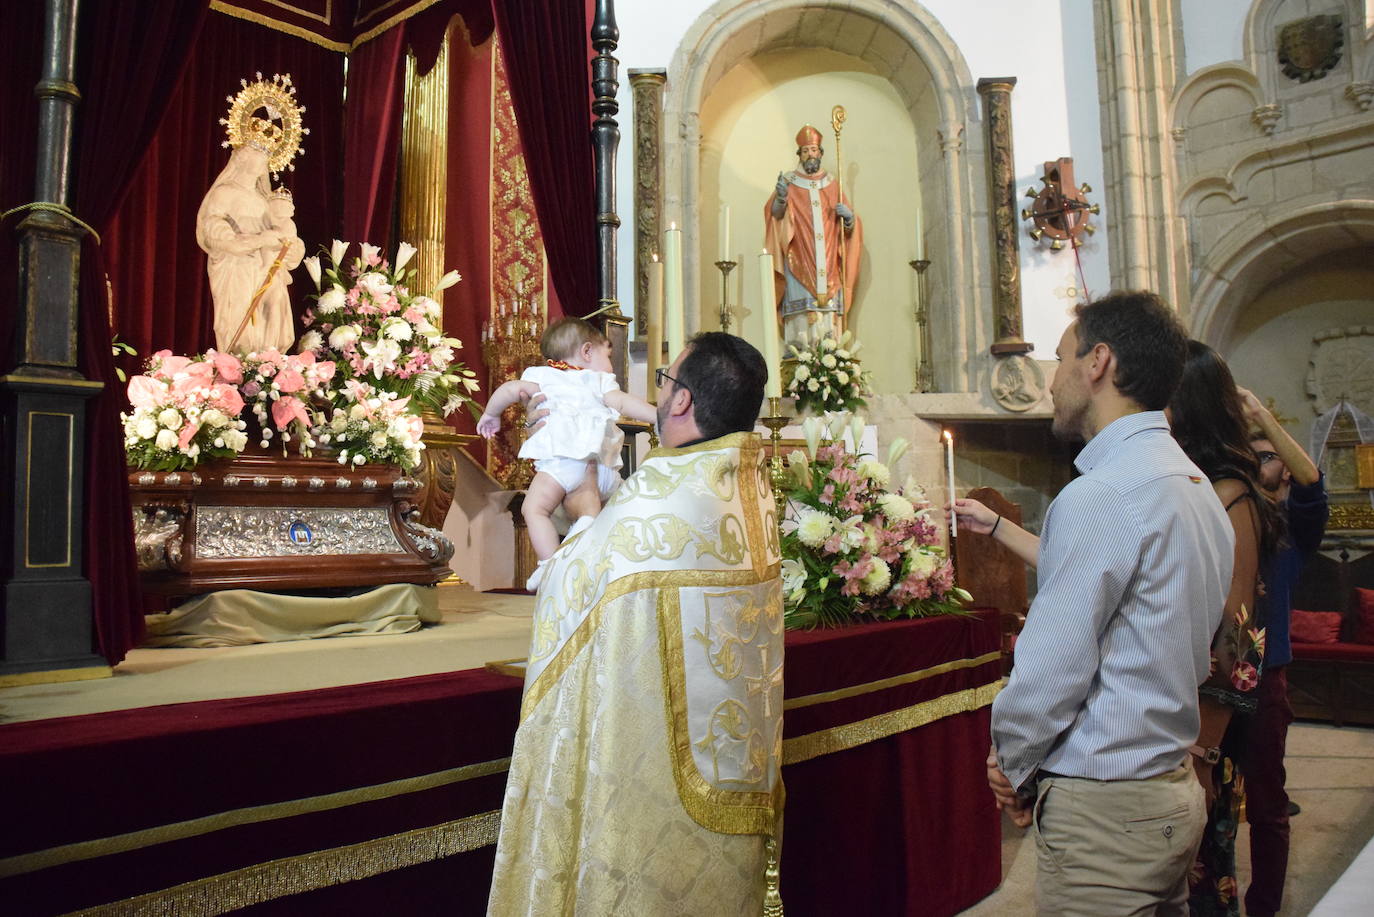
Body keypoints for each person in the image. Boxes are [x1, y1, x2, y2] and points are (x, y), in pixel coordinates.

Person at [956, 291, 1234, 916]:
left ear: (1098, 362)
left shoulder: (1103, 494)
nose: (1052, 381)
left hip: (1107, 809)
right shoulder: (1193, 486)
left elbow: (1052, 667)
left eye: (1062, 359)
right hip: (1168, 786)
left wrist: (1012, 762)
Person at [487, 332, 782, 917]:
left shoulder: (662, 496)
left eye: (667, 382)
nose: (661, 393)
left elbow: (571, 589)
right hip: (731, 757)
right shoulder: (744, 482)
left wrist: (583, 505)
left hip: (651, 763)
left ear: (681, 403)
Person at [1167, 341, 1284, 917]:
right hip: (1187, 715)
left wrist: (1204, 751)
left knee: (1205, 875)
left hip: (1206, 723)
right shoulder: (1195, 487)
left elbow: (1237, 635)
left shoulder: (1230, 494)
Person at [1238, 386, 1327, 917]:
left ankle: (1264, 908)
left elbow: (1314, 484)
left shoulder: (1294, 526)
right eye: (1250, 455)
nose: (1258, 463)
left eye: (1267, 456)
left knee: (1268, 805)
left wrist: (1263, 419)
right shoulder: (1224, 513)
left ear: (1285, 470)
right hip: (1216, 675)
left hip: (1267, 676)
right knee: (1211, 799)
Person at [477, 318, 658, 576]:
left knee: (534, 509)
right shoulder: (598, 382)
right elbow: (624, 403)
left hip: (562, 465)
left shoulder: (543, 377)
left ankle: (550, 566)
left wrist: (491, 415)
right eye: (607, 355)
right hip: (604, 468)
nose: (610, 365)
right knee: (621, 512)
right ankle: (588, 526)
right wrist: (658, 415)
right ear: (586, 351)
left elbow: (509, 389)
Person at [763, 124, 863, 344]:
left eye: (814, 150)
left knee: (828, 320)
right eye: (806, 150)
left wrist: (848, 218)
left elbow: (848, 231)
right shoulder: (788, 182)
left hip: (828, 265)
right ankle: (798, 359)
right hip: (797, 259)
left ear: (821, 153)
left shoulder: (833, 184)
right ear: (799, 154)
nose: (810, 154)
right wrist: (781, 198)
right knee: (802, 319)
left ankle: (831, 357)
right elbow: (775, 217)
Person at [196, 143, 298, 355]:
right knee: (239, 323)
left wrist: (289, 244)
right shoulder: (224, 193)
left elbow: (284, 234)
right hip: (237, 267)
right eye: (259, 153)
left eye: (266, 155)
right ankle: (240, 371)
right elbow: (214, 230)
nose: (263, 159)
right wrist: (257, 240)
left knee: (272, 322)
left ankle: (267, 370)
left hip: (268, 269)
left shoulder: (265, 200)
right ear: (242, 158)